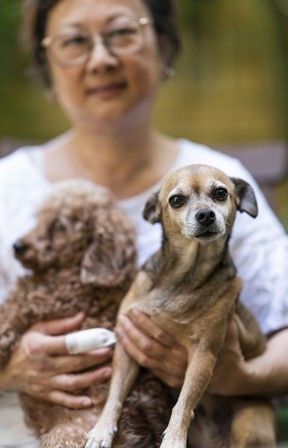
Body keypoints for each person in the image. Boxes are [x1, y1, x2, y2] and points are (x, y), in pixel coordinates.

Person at [0, 0, 287, 446]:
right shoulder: (7, 187)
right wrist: (10, 367)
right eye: (75, 41)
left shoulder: (219, 177)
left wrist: (237, 375)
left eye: (122, 33)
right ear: (46, 68)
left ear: (164, 48)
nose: (101, 59)